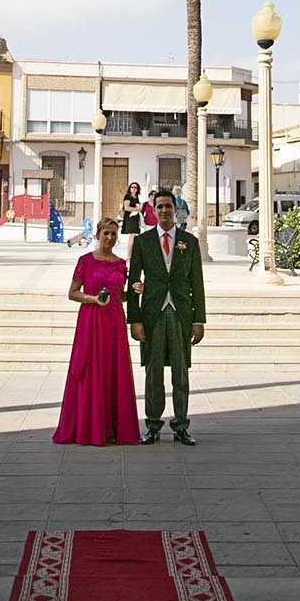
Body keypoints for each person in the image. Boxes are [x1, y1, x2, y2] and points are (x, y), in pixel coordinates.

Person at [127, 189, 206, 446]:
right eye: (159, 207)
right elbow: (133, 282)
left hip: (181, 314)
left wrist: (198, 320)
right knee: (153, 372)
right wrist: (134, 320)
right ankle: (152, 425)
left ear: (175, 209)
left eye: (168, 207)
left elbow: (197, 283)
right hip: (153, 314)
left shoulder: (189, 242)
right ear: (153, 209)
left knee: (181, 372)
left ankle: (181, 425)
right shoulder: (143, 242)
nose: (164, 211)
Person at [53, 216, 140, 446]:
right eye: (106, 234)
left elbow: (120, 295)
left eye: (113, 234)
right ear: (98, 235)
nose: (110, 238)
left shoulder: (121, 264)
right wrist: (92, 299)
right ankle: (89, 427)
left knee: (113, 370)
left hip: (114, 323)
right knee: (90, 370)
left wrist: (134, 291)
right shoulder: (85, 261)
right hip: (91, 321)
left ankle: (112, 428)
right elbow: (72, 292)